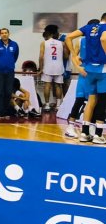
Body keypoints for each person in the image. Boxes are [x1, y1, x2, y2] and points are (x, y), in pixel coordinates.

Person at [65, 13, 106, 144]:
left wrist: (74, 56)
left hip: (88, 70)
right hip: (102, 69)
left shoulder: (89, 28)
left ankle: (84, 132)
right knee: (102, 102)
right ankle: (98, 134)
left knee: (90, 101)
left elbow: (68, 37)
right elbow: (104, 39)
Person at [38, 26, 66, 112]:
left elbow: (41, 57)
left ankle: (46, 105)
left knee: (47, 85)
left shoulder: (44, 43)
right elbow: (66, 56)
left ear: (48, 33)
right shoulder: (62, 43)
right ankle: (58, 105)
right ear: (55, 33)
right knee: (58, 86)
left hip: (48, 67)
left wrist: (41, 68)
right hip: (59, 66)